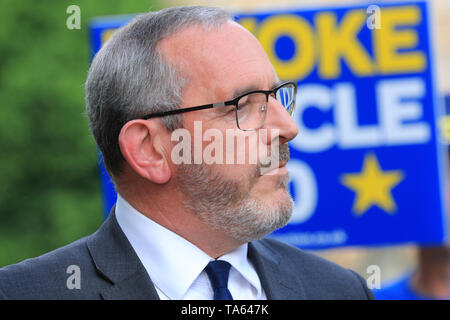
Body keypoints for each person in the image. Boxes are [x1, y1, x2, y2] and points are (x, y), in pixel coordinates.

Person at [0, 6, 374, 300]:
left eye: (277, 97)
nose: (289, 128)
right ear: (150, 149)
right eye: (244, 105)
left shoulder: (340, 291)